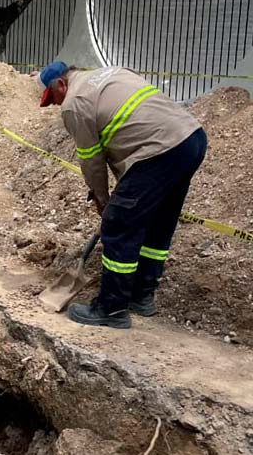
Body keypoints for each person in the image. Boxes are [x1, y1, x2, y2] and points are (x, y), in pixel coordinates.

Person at [39, 61, 207, 329]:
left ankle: (112, 307)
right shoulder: (113, 72)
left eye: (53, 98)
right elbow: (131, 130)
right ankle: (141, 296)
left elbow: (91, 160)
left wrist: (104, 202)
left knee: (118, 224)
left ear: (61, 84)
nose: (56, 105)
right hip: (191, 139)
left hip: (158, 150)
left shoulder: (74, 102)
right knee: (158, 222)